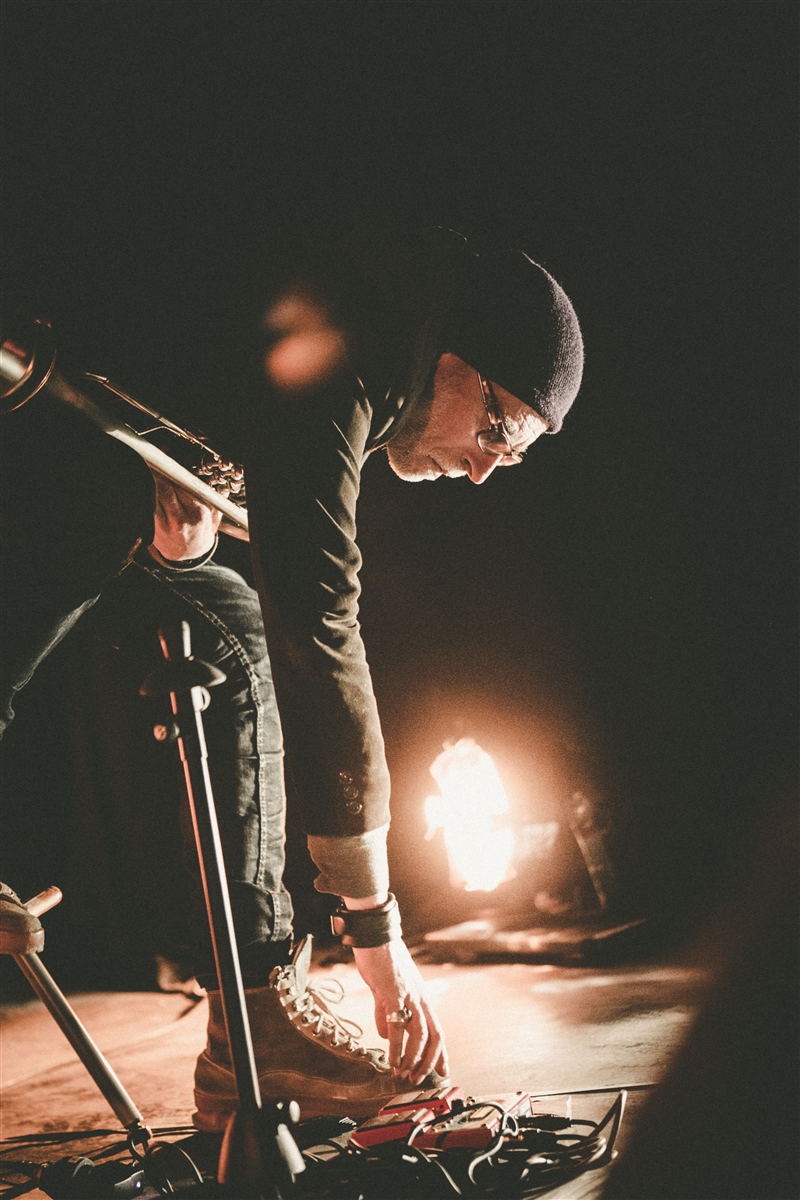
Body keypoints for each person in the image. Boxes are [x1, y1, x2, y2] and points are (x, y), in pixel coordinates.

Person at [0, 226, 584, 1130]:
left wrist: (178, 508)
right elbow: (319, 627)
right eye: (496, 431)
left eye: (506, 458)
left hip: (78, 457)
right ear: (460, 360)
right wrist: (374, 928)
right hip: (33, 434)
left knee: (229, 633)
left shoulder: (380, 365)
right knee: (131, 542)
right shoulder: (356, 346)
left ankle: (255, 1027)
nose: (480, 470)